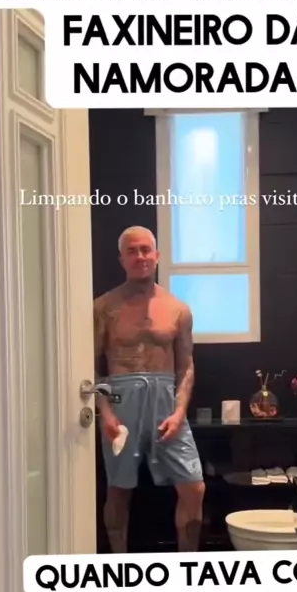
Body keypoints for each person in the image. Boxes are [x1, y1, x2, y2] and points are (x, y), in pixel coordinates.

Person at [93, 225, 205, 553]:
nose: (140, 256)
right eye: (132, 251)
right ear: (121, 259)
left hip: (165, 401)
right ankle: (120, 565)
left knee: (194, 488)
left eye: (145, 250)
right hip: (121, 399)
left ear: (157, 256)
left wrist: (179, 412)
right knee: (118, 489)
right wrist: (105, 412)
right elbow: (90, 364)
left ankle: (189, 566)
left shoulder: (178, 309)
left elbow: (186, 365)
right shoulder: (103, 307)